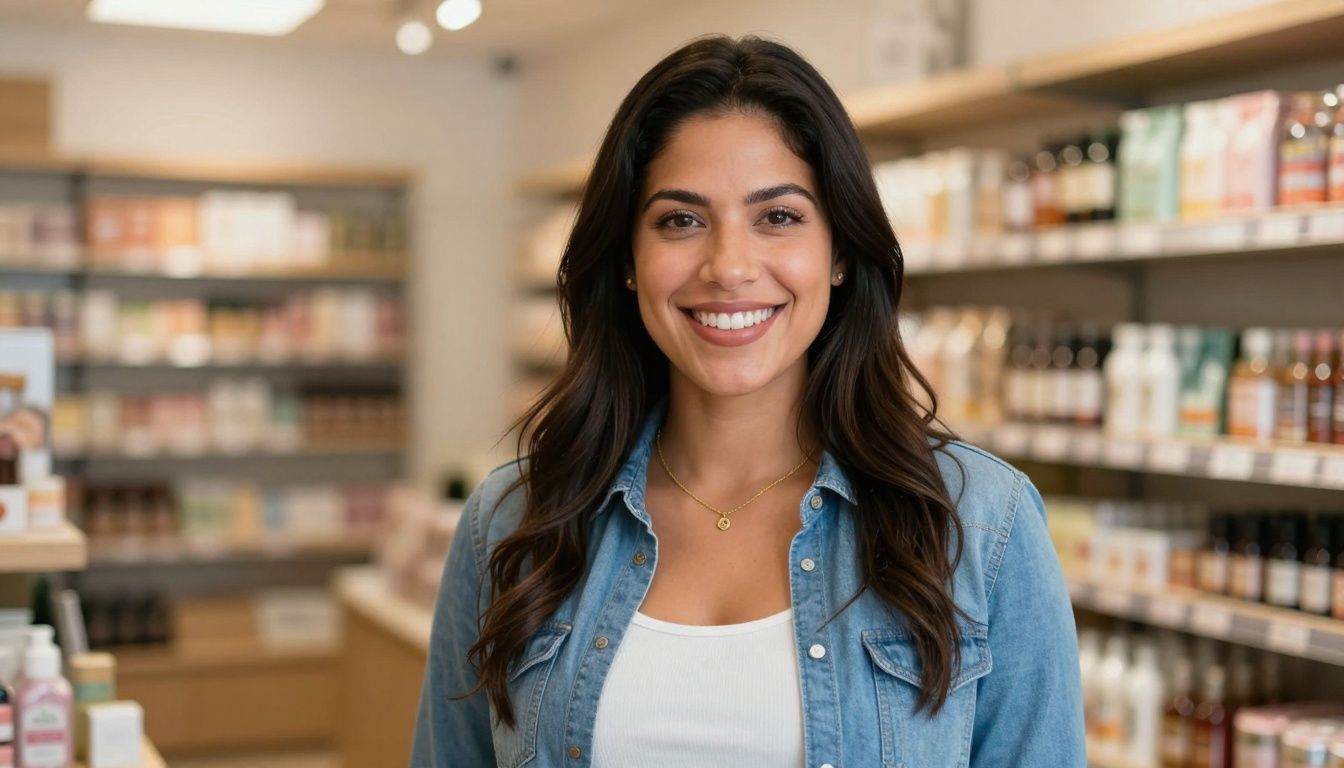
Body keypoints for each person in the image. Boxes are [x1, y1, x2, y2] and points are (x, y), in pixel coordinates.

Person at [411, 34, 1084, 768]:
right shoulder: (513, 521)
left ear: (839, 254)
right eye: (681, 220)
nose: (729, 267)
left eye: (779, 217)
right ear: (629, 261)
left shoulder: (981, 527)